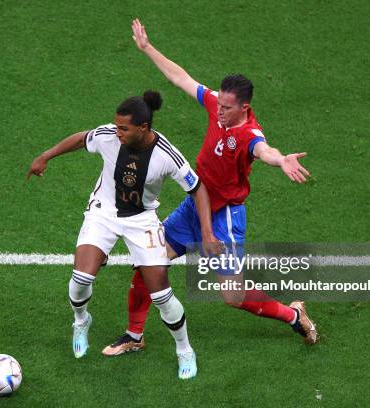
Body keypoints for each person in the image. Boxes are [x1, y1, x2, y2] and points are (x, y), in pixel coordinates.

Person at [101, 19, 318, 357]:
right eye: (219, 102)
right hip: (193, 206)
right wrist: (147, 49)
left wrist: (281, 160)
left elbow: (265, 151)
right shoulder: (218, 105)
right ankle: (134, 334)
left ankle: (293, 314)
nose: (219, 109)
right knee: (148, 263)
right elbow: (180, 78)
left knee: (232, 297)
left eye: (227, 107)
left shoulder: (249, 135)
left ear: (243, 108)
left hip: (224, 218)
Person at [27, 91, 223, 380]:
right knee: (81, 279)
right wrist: (45, 156)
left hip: (141, 221)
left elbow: (198, 189)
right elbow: (82, 138)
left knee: (161, 293)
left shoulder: (167, 155)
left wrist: (207, 232)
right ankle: (81, 321)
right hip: (103, 213)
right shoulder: (108, 136)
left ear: (142, 128)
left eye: (123, 128)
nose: (116, 131)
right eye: (116, 126)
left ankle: (184, 349)